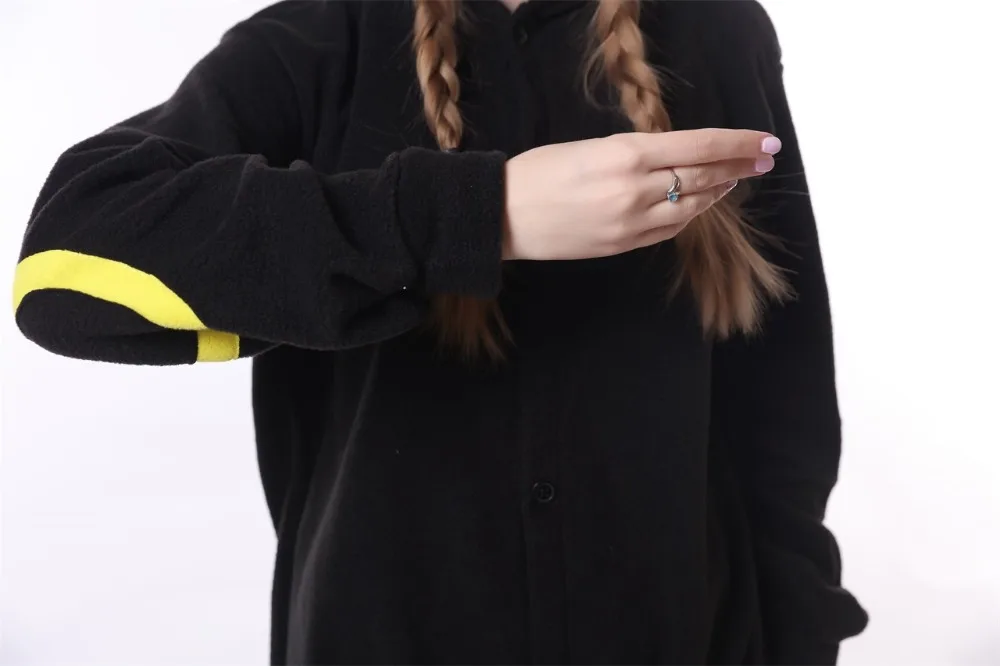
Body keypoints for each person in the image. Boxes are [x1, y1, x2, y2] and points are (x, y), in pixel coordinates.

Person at [12, 0, 868, 663]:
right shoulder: (323, 35)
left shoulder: (717, 29)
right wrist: (480, 214)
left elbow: (783, 404)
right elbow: (64, 266)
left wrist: (801, 637)